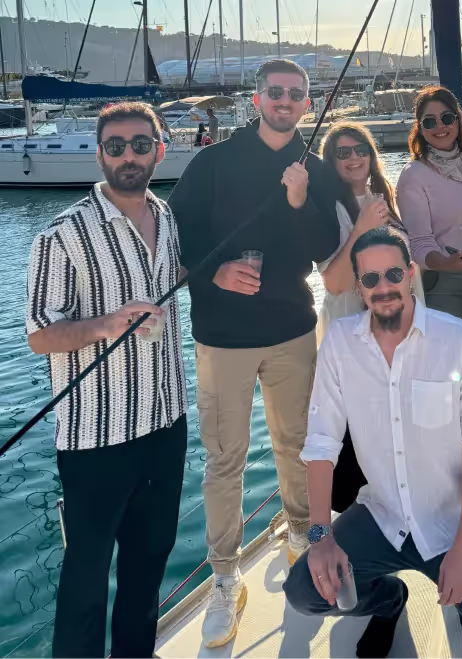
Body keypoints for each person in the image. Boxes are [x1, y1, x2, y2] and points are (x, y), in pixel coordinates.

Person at [283, 227, 462, 659]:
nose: (383, 287)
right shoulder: (339, 344)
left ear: (409, 274)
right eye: (370, 279)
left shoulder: (457, 340)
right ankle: (389, 600)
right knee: (304, 592)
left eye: (392, 274)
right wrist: (320, 536)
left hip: (458, 523)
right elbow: (321, 444)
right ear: (358, 287)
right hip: (382, 516)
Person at [169, 59, 340, 648]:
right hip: (222, 336)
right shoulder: (213, 162)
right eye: (276, 92)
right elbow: (178, 236)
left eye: (296, 94)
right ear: (257, 97)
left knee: (298, 444)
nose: (286, 101)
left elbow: (326, 250)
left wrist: (300, 200)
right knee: (225, 460)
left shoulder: (312, 169)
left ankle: (301, 536)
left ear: (307, 104)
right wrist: (215, 273)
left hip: (293, 327)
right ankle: (224, 578)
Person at [26, 102, 188, 659]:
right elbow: (40, 335)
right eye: (115, 146)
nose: (128, 155)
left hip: (167, 426)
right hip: (97, 441)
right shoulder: (61, 235)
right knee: (86, 584)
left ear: (158, 151)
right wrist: (107, 324)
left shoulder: (167, 218)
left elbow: (174, 277)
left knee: (147, 572)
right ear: (99, 154)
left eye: (140, 145)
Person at [317, 122, 426, 513]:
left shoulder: (384, 196)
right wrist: (362, 227)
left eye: (359, 148)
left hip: (402, 334)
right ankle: (347, 536)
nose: (353, 158)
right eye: (342, 152)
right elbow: (332, 283)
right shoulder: (330, 209)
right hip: (356, 341)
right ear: (331, 161)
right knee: (357, 440)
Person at [396, 86, 462, 368]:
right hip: (447, 287)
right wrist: (450, 263)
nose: (440, 127)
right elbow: (419, 244)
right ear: (420, 128)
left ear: (458, 119)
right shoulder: (414, 175)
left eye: (447, 118)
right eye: (429, 121)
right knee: (451, 376)